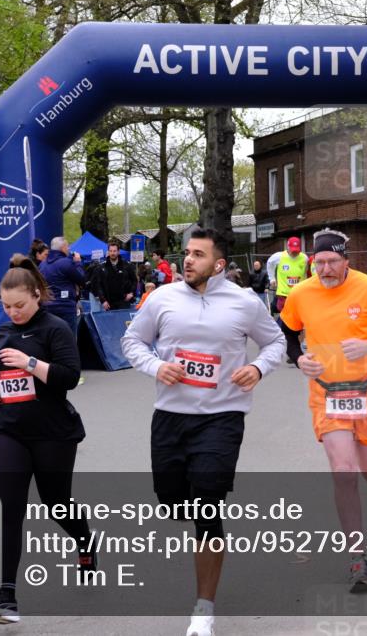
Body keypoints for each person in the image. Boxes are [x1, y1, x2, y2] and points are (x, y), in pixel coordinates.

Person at [121, 227, 286, 636]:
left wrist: (258, 367)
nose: (187, 260)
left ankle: (203, 608)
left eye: (197, 254)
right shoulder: (161, 298)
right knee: (175, 504)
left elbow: (276, 342)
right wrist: (157, 366)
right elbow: (132, 341)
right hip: (171, 417)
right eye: (186, 253)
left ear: (219, 264)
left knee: (207, 505)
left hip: (222, 417)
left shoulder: (244, 302)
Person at [279, 229, 367, 593]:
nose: (325, 269)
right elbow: (287, 333)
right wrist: (299, 359)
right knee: (343, 470)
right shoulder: (301, 293)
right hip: (327, 393)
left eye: (332, 262)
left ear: (346, 261)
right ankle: (358, 556)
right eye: (319, 262)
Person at [0, 255, 95, 625]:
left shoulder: (56, 327)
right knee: (9, 507)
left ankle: (85, 540)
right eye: (7, 306)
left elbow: (69, 377)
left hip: (53, 432)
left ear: (38, 295)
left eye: (20, 305)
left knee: (56, 502)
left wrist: (30, 363)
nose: (12, 312)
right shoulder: (5, 330)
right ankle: (6, 595)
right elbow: (10, 380)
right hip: (9, 428)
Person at [39, 236, 85, 337]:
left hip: (47, 308)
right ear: (63, 247)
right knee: (69, 341)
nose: (69, 249)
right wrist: (78, 263)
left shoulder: (42, 265)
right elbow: (82, 279)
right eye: (67, 246)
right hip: (66, 308)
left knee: (51, 340)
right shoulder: (66, 263)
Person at [93, 240, 136, 310]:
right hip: (109, 303)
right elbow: (98, 285)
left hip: (124, 301)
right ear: (108, 252)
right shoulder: (102, 267)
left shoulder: (127, 265)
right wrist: (103, 300)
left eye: (114, 251)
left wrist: (131, 293)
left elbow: (134, 280)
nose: (112, 253)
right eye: (111, 251)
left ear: (118, 252)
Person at [268, 237, 308, 314]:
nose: (295, 253)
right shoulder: (278, 256)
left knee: (296, 315)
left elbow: (305, 273)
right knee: (285, 315)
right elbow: (269, 263)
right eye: (293, 250)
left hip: (298, 294)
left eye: (297, 250)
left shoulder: (304, 258)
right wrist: (272, 278)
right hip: (283, 294)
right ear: (288, 247)